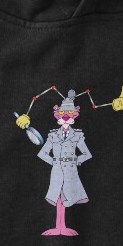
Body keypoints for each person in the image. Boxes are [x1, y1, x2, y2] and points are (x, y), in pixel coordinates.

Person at [36, 89, 91, 236]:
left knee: (67, 197)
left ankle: (63, 227)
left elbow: (87, 154)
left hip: (71, 171)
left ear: (73, 116)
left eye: (69, 114)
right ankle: (58, 228)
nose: (66, 117)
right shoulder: (53, 136)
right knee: (58, 198)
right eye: (63, 114)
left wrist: (75, 161)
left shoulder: (77, 135)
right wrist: (54, 161)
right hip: (57, 171)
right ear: (58, 116)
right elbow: (42, 153)